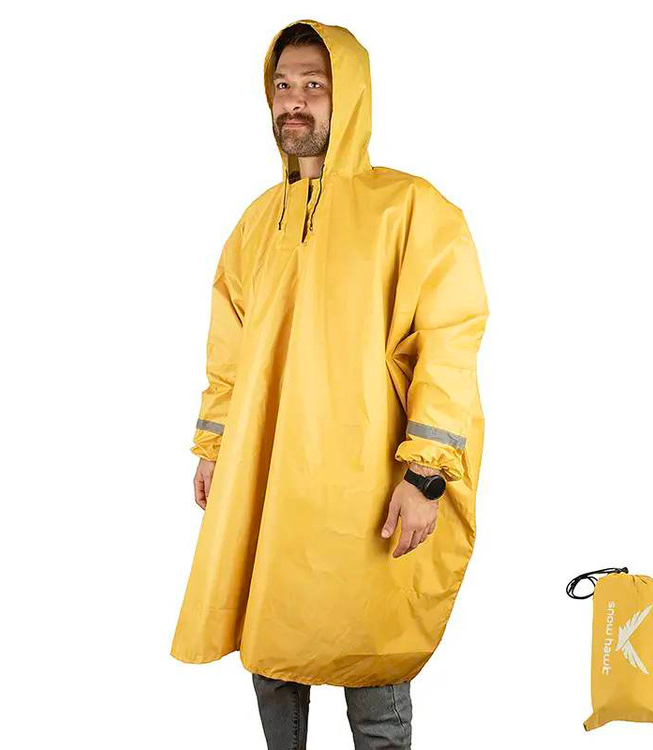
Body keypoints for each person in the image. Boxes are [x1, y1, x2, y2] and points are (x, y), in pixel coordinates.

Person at [171, 18, 489, 750]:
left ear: (350, 96)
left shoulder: (409, 209)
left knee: (370, 656)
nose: (295, 101)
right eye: (283, 85)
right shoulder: (256, 224)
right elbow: (229, 353)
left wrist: (426, 475)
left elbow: (449, 340)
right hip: (269, 479)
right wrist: (214, 446)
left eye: (314, 85)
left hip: (365, 486)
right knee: (271, 646)